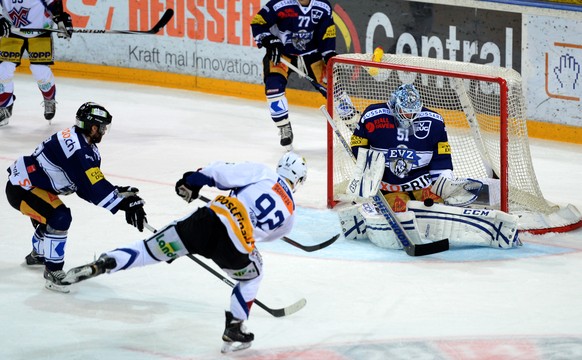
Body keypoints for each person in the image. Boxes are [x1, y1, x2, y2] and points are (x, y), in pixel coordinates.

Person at [61, 152, 308, 353]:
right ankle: (235, 326)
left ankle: (104, 263)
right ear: (299, 181)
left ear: (280, 167)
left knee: (148, 250)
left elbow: (219, 173)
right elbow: (263, 236)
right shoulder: (291, 216)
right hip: (235, 249)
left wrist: (192, 181)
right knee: (253, 275)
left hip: (206, 222)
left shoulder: (265, 173)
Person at [338, 84, 521, 249]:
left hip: (422, 185)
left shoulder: (434, 122)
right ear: (394, 105)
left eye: (413, 112)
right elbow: (358, 142)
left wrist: (443, 184)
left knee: (435, 205)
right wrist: (367, 172)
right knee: (400, 209)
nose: (409, 116)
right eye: (404, 112)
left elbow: (441, 157)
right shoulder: (373, 115)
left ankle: (481, 225)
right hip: (389, 188)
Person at [5, 102, 147, 293]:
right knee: (59, 217)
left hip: (34, 185)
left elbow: (88, 184)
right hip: (22, 188)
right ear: (92, 127)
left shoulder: (84, 143)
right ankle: (53, 273)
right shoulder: (78, 150)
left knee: (53, 218)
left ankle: (38, 254)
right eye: (103, 127)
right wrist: (123, 203)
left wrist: (116, 192)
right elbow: (92, 188)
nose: (104, 131)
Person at [251, 0, 337, 149]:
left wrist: (329, 56)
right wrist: (270, 40)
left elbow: (327, 35)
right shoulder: (279, 4)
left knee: (335, 90)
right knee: (273, 88)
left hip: (312, 55)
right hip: (283, 54)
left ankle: (354, 124)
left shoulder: (323, 7)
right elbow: (258, 23)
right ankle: (283, 126)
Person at [0, 0, 73, 127]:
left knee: (39, 70)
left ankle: (49, 97)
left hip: (41, 30)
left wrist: (61, 19)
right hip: (11, 30)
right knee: (2, 70)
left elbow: (53, 3)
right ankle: (4, 106)